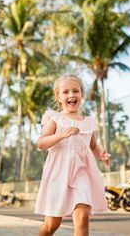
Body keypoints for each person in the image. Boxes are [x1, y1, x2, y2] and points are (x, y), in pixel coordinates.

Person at [34, 74, 111, 236]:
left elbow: (93, 146)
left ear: (81, 94)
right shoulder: (56, 118)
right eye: (66, 92)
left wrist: (101, 154)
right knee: (51, 226)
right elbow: (41, 143)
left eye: (75, 91)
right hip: (58, 175)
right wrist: (62, 135)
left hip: (81, 174)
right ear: (59, 97)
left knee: (83, 216)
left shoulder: (88, 122)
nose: (71, 95)